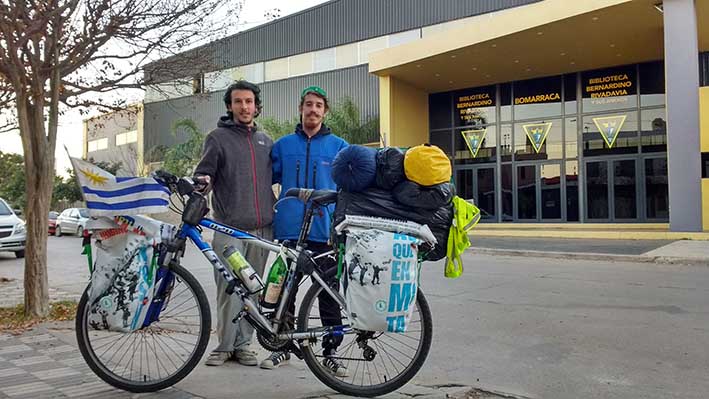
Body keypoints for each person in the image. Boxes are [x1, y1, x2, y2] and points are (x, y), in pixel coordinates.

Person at [260, 86, 349, 377]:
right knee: (284, 291)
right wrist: (275, 207)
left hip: (324, 232)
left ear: (325, 111)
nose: (313, 110)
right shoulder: (283, 146)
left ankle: (332, 351)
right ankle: (282, 347)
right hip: (288, 230)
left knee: (328, 293)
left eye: (319, 105)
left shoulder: (339, 147)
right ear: (300, 109)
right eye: (309, 104)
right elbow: (263, 182)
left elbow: (349, 189)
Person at [193, 80, 275, 367]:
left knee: (254, 290)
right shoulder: (216, 138)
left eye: (249, 101)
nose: (244, 107)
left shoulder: (266, 141)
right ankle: (224, 346)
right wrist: (201, 184)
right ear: (230, 106)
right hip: (229, 229)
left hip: (263, 230)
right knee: (230, 288)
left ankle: (244, 345)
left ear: (256, 106)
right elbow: (205, 173)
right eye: (238, 101)